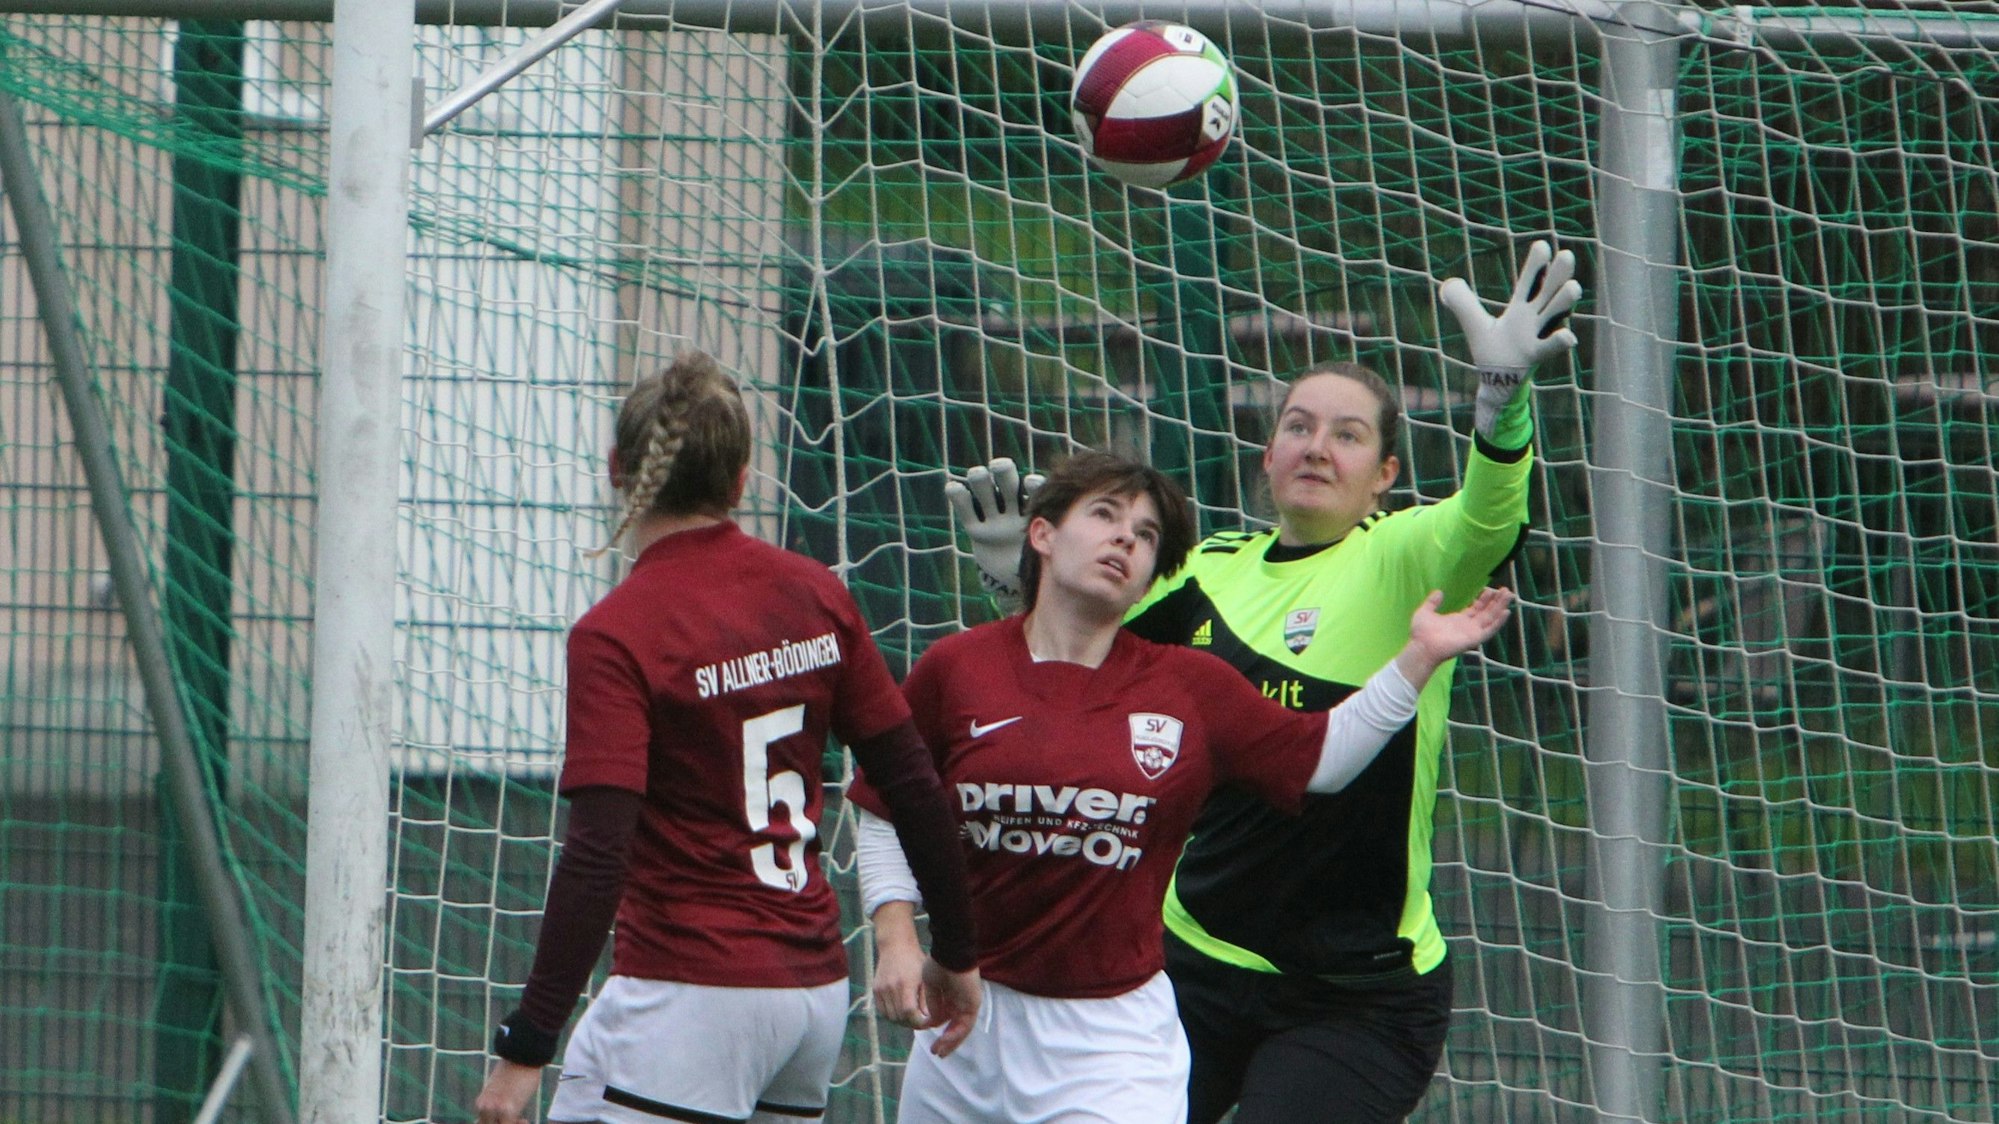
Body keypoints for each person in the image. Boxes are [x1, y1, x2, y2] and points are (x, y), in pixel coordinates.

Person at [948, 241, 1581, 1122]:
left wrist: (1500, 400)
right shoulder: (1203, 573)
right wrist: (1019, 574)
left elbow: (1488, 514)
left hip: (1356, 997)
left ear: (1386, 477)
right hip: (1191, 965)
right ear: (1267, 453)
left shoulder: (1408, 558)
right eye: (1297, 425)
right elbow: (1060, 663)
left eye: (1347, 434)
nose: (1316, 446)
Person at [849, 451, 1514, 1123]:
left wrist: (1417, 658)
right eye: (1104, 515)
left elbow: (1321, 760)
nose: (1124, 539)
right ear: (1042, 534)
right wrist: (897, 938)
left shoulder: (1188, 685)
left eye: (1144, 536)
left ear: (1148, 580)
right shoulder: (957, 667)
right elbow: (883, 804)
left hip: (1109, 1046)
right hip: (964, 1025)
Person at [473, 352, 982, 1124]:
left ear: (617, 468)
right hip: (810, 999)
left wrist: (527, 1044)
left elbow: (598, 851)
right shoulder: (815, 592)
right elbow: (914, 787)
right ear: (742, 479)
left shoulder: (619, 632)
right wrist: (960, 952)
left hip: (688, 998)